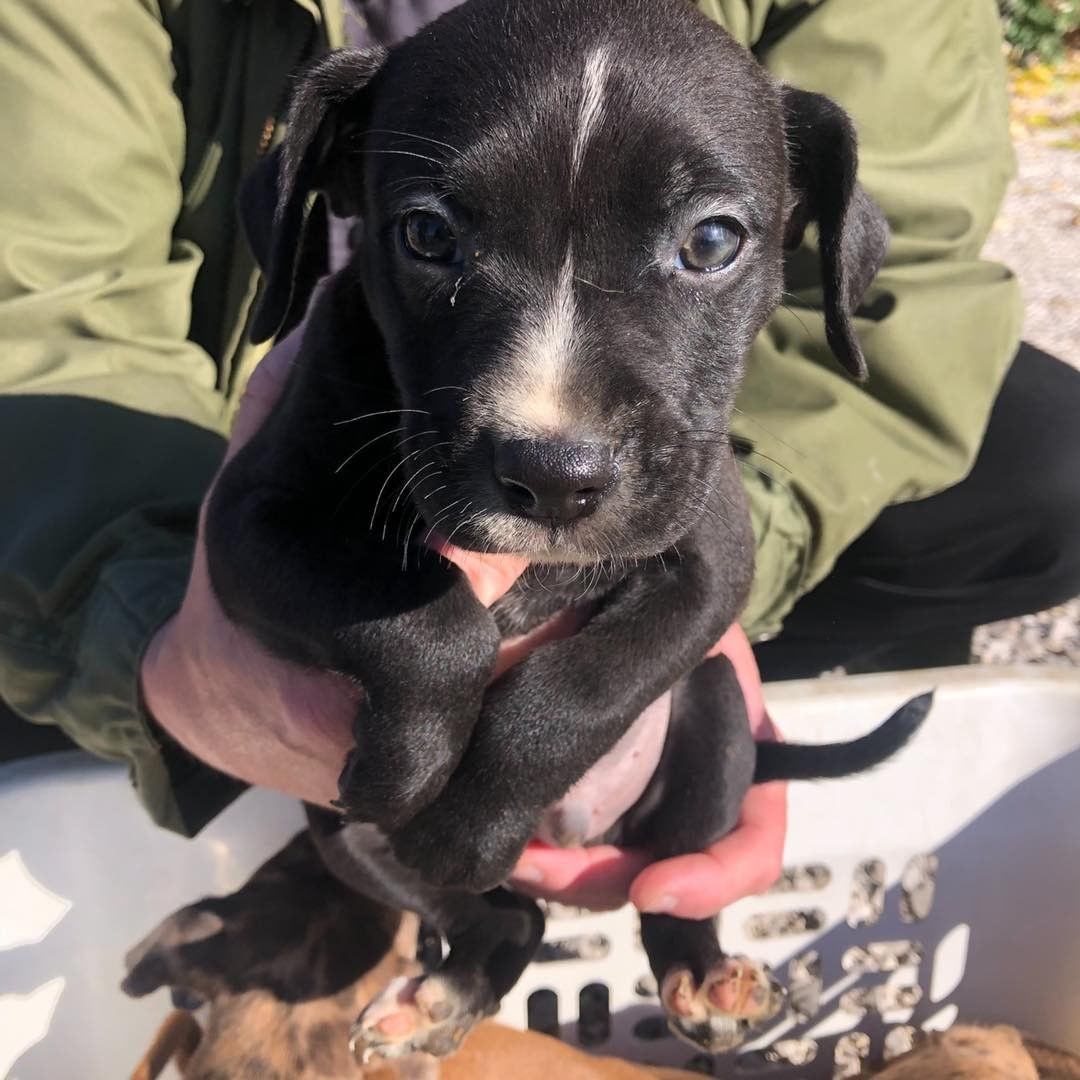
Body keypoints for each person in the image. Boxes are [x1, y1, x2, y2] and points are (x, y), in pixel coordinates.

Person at [1, 0, 1077, 920]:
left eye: (708, 244)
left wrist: (649, 640)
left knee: (1042, 458)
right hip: (227, 433)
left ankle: (710, 749)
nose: (549, 417)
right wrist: (159, 646)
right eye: (431, 236)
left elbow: (914, 281)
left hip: (636, 473)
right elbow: (38, 311)